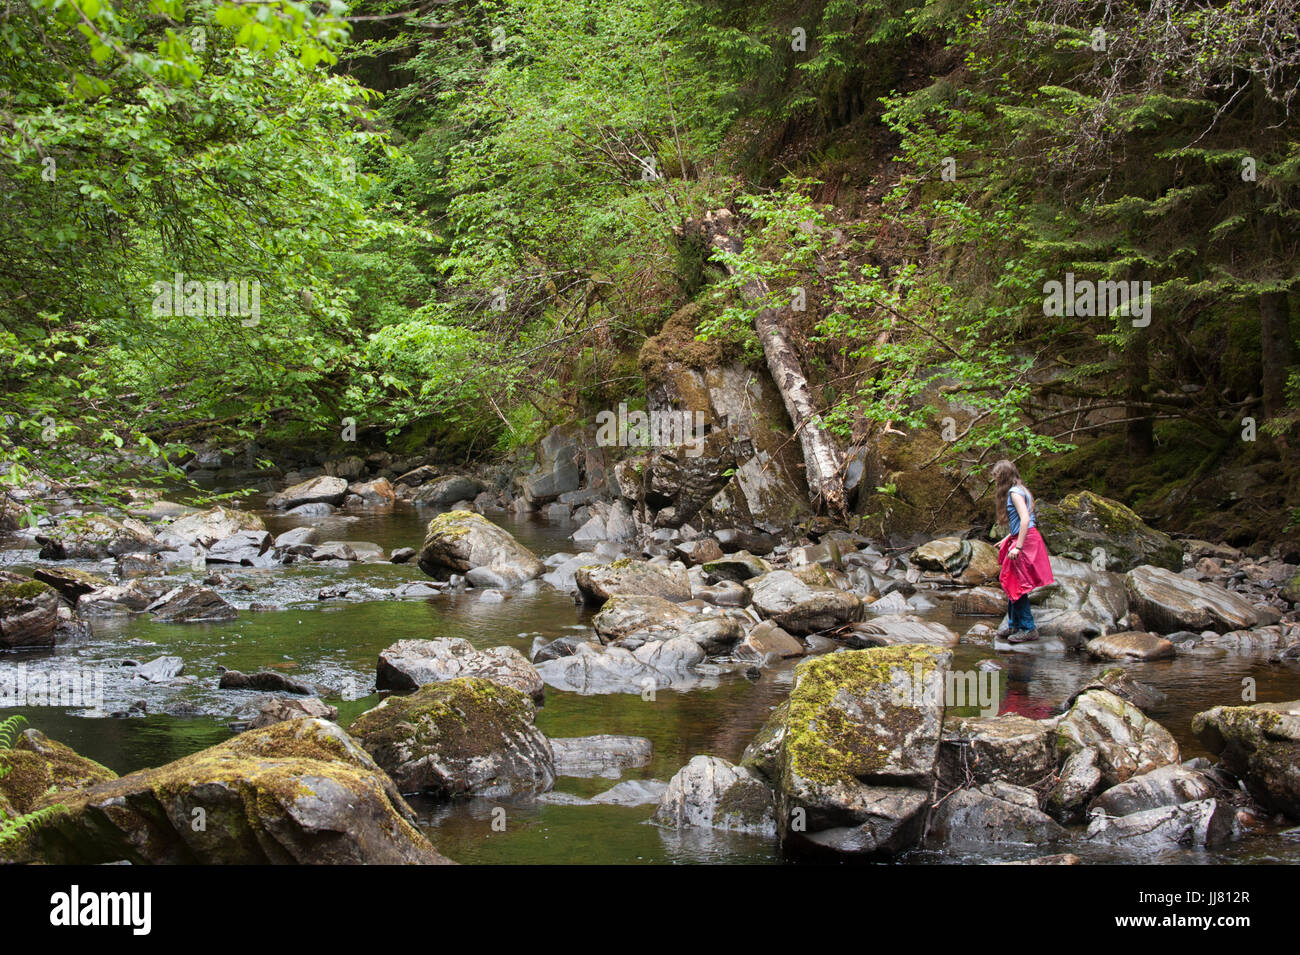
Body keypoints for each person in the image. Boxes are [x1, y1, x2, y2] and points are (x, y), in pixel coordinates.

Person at [991, 459, 1054, 643]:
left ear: (1003, 477)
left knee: (1016, 584)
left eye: (996, 477)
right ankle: (1014, 625)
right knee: (1013, 582)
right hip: (1026, 537)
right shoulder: (1023, 489)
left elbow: (1025, 519)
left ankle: (1027, 628)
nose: (995, 482)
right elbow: (1022, 521)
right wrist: (1007, 538)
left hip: (1026, 542)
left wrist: (1018, 546)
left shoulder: (1014, 493)